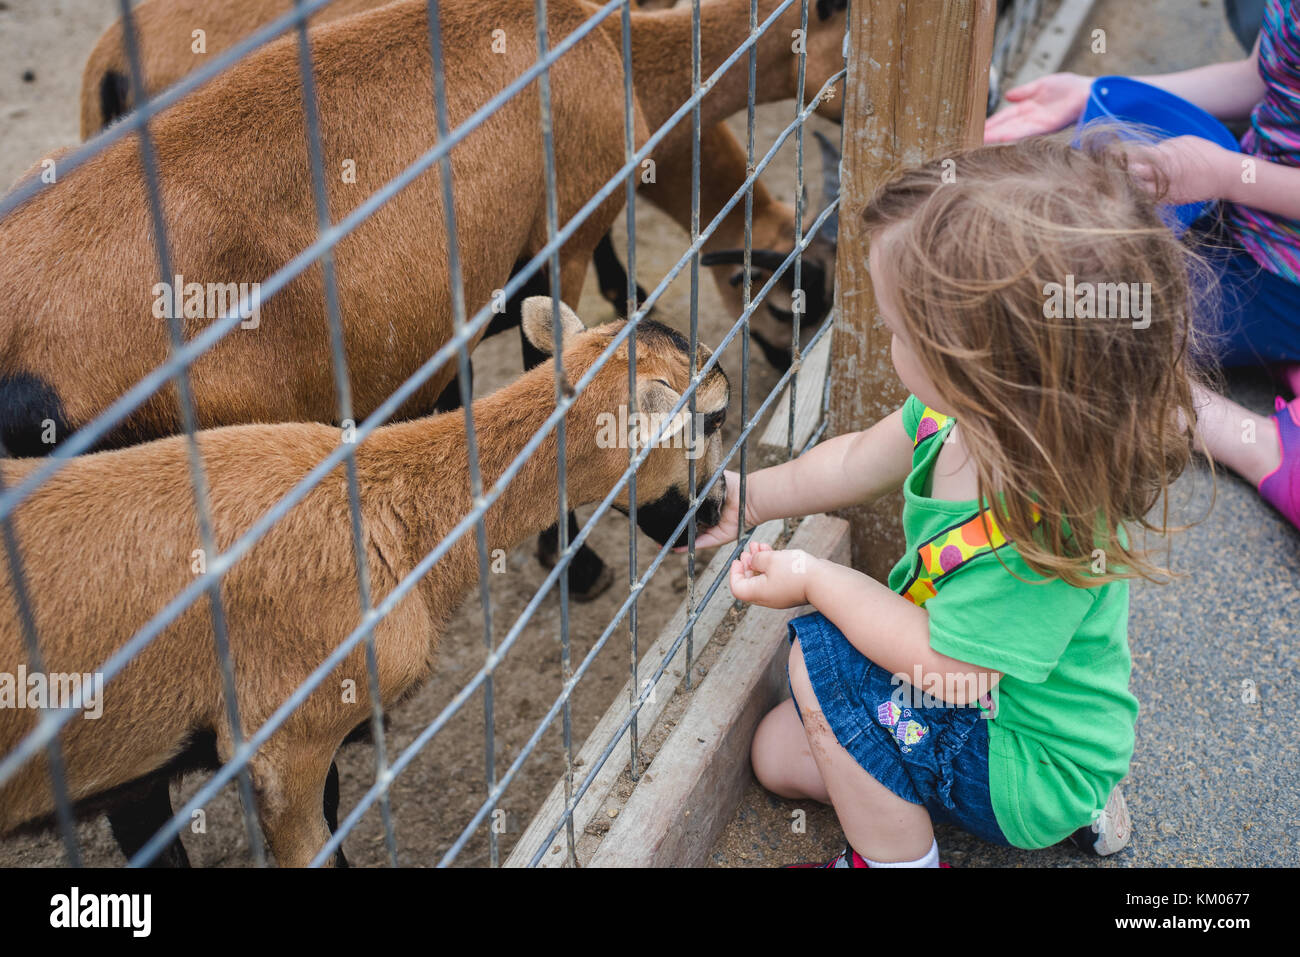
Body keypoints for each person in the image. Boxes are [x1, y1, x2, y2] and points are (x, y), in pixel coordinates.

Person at [692, 136, 1205, 866]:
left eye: (900, 332)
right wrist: (748, 498)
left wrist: (817, 579)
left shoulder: (1039, 528)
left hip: (1023, 758)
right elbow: (856, 460)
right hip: (1003, 715)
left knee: (820, 664)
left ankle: (899, 860)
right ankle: (1040, 801)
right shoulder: (962, 419)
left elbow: (953, 670)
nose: (888, 341)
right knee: (779, 753)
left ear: (979, 368)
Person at [986, 0, 1300, 528]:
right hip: (1250, 218)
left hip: (1280, 271)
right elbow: (1261, 78)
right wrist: (1095, 87)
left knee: (1063, 315)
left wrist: (1226, 175)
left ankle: (1258, 445)